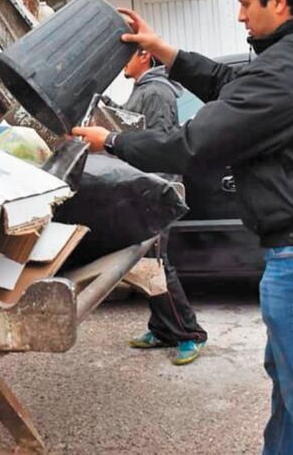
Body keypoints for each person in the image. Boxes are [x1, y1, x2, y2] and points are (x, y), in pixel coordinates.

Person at [74, 0, 293, 455]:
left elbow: (193, 145)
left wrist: (113, 142)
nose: (239, 15)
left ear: (277, 0)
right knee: (292, 386)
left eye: (244, 3)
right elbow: (230, 84)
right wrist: (166, 52)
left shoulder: (284, 72)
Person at [107, 47, 207, 365]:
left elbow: (162, 144)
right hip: (145, 191)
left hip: (157, 192)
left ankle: (190, 334)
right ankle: (163, 328)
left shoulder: (158, 92)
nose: (121, 62)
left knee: (158, 264)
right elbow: (129, 126)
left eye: (127, 55)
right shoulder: (143, 90)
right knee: (146, 263)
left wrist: (152, 193)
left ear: (145, 56)